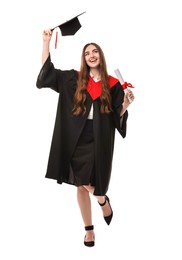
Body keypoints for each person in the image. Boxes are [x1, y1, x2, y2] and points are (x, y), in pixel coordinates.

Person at [36, 29, 135, 247]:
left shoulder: (112, 83)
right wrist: (45, 43)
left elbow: (117, 114)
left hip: (98, 139)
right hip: (75, 138)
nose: (91, 55)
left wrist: (126, 104)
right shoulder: (73, 78)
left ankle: (97, 211)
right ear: (84, 58)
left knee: (88, 183)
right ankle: (95, 215)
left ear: (101, 56)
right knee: (80, 183)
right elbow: (47, 74)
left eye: (95, 51)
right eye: (87, 52)